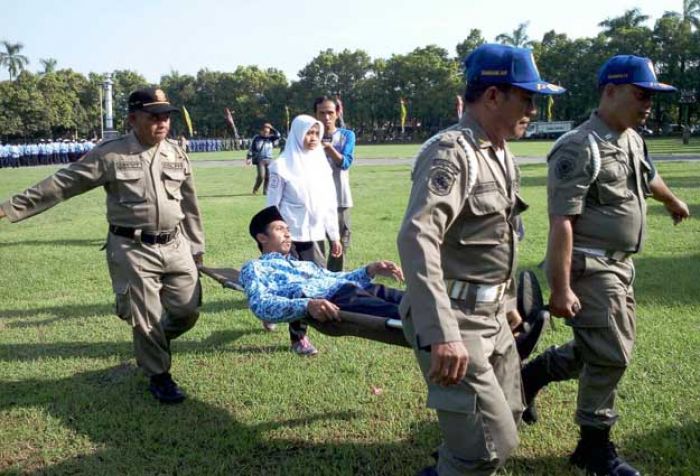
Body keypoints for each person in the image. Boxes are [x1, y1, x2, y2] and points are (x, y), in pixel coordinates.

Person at [396, 44, 565, 476]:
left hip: (491, 314)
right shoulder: (452, 153)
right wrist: (442, 333)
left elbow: (497, 237)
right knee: (487, 448)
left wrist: (507, 302)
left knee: (508, 413)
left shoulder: (500, 152)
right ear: (493, 96)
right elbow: (418, 237)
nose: (533, 108)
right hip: (456, 316)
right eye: (526, 98)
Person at [522, 55, 690, 476]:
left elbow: (646, 175)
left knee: (595, 349)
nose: (648, 103)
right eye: (641, 94)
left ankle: (532, 377)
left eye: (652, 95)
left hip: (619, 267)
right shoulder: (580, 146)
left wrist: (670, 200)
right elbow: (563, 220)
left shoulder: (631, 137)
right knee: (612, 354)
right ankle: (594, 449)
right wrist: (560, 288)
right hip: (590, 268)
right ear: (611, 91)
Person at [0, 87, 206, 405]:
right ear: (133, 119)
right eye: (154, 116)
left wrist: (196, 245)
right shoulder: (110, 153)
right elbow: (63, 183)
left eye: (166, 115)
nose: (162, 122)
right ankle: (159, 375)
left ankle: (150, 342)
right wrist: (10, 207)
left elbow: (190, 204)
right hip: (133, 248)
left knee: (187, 309)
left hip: (175, 243)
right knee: (146, 317)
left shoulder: (176, 153)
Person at [240, 206, 404, 325]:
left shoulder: (303, 265)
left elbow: (335, 276)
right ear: (262, 238)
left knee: (412, 300)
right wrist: (307, 304)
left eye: (288, 229)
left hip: (355, 289)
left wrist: (369, 270)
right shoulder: (255, 267)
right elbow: (260, 304)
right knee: (407, 315)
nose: (288, 234)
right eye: (279, 229)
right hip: (337, 300)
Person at [266, 114, 342, 355]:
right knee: (291, 284)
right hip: (287, 238)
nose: (313, 138)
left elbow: (330, 202)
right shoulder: (281, 166)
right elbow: (272, 206)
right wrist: (273, 238)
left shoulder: (321, 164)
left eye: (316, 133)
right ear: (298, 134)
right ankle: (298, 339)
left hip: (313, 234)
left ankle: (277, 313)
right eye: (308, 133)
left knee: (311, 284)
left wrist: (334, 236)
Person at [314, 96, 356, 271]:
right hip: (314, 199)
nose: (326, 117)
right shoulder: (309, 135)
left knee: (338, 244)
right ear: (315, 114)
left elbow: (345, 163)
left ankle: (336, 282)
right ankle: (318, 282)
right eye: (321, 113)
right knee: (314, 244)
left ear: (338, 113)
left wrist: (328, 148)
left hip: (340, 199)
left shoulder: (347, 135)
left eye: (330, 112)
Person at [246, 123, 281, 195]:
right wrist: (249, 158)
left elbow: (278, 135)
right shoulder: (256, 138)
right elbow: (251, 148)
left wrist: (272, 128)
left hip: (269, 159)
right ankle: (255, 189)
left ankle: (266, 191)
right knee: (261, 176)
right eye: (264, 132)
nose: (266, 133)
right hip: (260, 159)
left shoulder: (271, 138)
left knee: (268, 177)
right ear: (261, 131)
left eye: (268, 132)